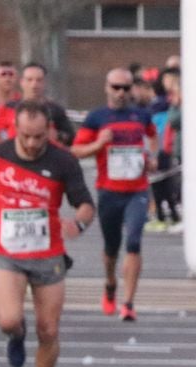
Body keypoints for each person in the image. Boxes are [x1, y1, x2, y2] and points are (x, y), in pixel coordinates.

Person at [0, 101, 95, 367]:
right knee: (8, 320)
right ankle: (17, 335)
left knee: (49, 329)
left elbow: (85, 204)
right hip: (7, 251)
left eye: (39, 137)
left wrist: (77, 224)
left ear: (49, 130)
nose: (33, 143)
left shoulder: (63, 160)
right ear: (15, 130)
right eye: (26, 136)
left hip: (48, 253)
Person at [72, 67, 158, 321]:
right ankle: (110, 284)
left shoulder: (141, 115)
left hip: (137, 191)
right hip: (109, 191)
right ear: (107, 88)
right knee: (112, 247)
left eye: (126, 88)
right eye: (116, 87)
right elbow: (76, 150)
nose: (121, 93)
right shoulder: (97, 118)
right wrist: (99, 143)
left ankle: (128, 303)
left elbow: (153, 137)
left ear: (132, 89)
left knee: (133, 242)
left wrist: (151, 157)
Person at [0, 63, 76, 147]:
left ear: (44, 83)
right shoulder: (10, 107)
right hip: (15, 159)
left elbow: (71, 138)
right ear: (22, 82)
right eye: (29, 80)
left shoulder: (55, 110)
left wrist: (58, 136)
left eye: (39, 80)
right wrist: (2, 151)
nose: (34, 85)